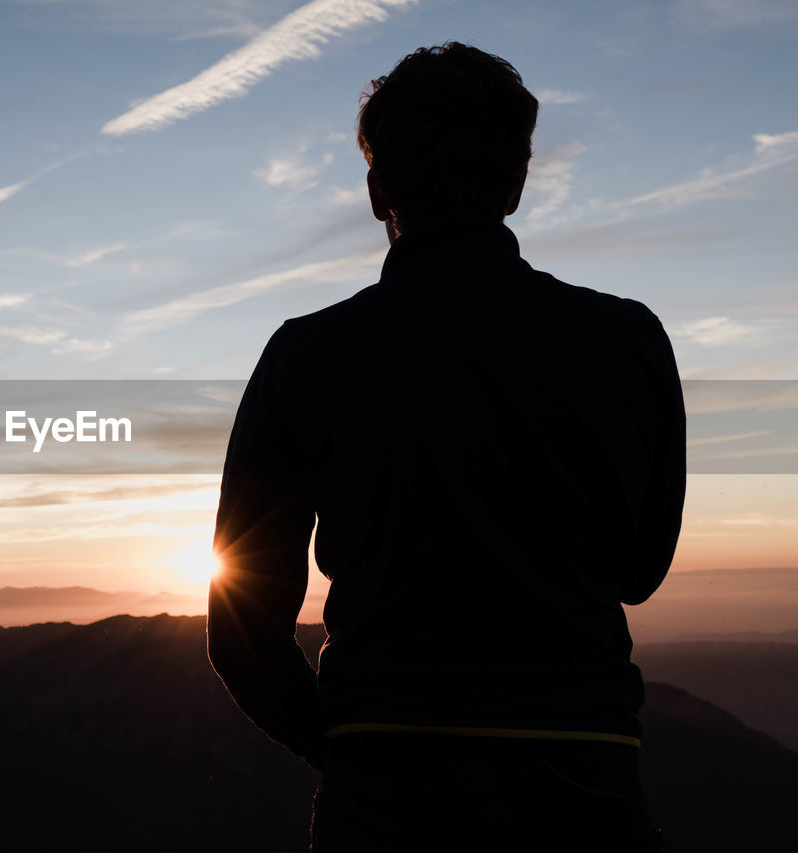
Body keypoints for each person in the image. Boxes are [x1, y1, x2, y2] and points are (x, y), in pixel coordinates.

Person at [206, 42, 685, 852]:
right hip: (587, 782)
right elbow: (638, 571)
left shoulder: (308, 355)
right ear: (517, 182)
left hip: (387, 794)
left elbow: (243, 627)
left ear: (375, 189)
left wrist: (348, 745)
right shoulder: (628, 340)